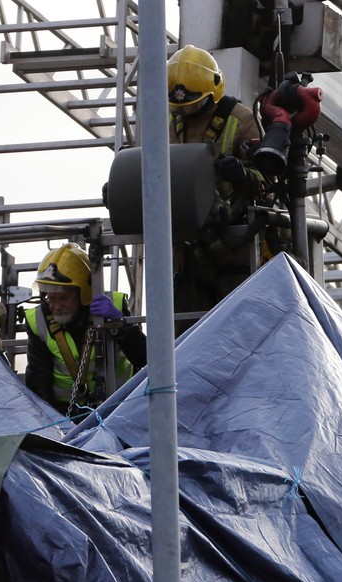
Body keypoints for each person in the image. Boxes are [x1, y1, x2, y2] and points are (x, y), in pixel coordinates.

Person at [167, 45, 269, 334]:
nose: (186, 110)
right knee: (187, 337)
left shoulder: (242, 121)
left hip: (233, 249)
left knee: (237, 332)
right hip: (186, 252)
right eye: (179, 106)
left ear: (214, 91)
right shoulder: (165, 122)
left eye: (193, 104)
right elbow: (146, 164)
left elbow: (270, 182)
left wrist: (245, 175)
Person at [22, 242, 147, 416]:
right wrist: (52, 424)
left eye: (63, 298)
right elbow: (38, 380)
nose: (55, 306)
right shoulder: (38, 320)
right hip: (65, 413)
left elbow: (146, 359)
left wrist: (119, 325)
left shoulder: (114, 305)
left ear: (83, 293)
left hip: (121, 409)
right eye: (50, 298)